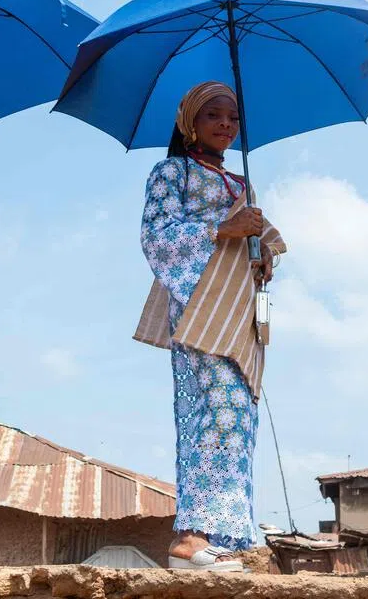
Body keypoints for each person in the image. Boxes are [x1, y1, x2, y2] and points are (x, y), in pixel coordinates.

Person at [137, 81, 286, 572]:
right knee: (213, 411)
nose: (225, 124)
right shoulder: (170, 172)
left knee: (237, 415)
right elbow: (156, 236)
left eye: (233, 117)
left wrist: (262, 255)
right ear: (189, 123)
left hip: (239, 307)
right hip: (201, 303)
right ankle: (190, 536)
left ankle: (218, 534)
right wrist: (222, 229)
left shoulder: (241, 185)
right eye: (214, 115)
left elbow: (251, 245)